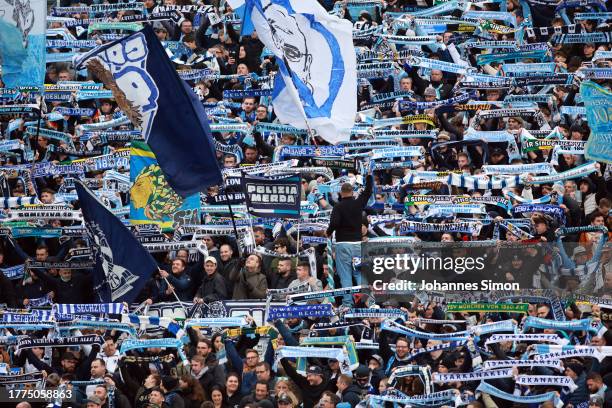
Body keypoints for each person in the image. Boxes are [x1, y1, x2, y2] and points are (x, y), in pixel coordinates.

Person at [326, 174, 374, 305]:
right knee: (358, 274)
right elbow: (368, 191)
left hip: (343, 245)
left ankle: (348, 303)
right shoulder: (358, 203)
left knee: (345, 276)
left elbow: (334, 223)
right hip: (358, 245)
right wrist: (369, 177)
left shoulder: (338, 207)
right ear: (352, 192)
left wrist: (328, 232)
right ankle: (367, 301)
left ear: (341, 193)